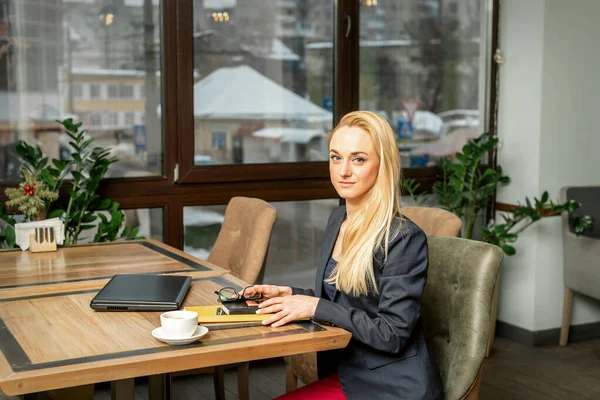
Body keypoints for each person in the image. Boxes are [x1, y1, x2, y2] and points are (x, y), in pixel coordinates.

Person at [248, 111, 443, 399]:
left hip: (392, 386)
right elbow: (345, 298)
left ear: (382, 165)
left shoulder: (403, 238)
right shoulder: (338, 218)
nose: (343, 171)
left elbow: (393, 334)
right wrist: (289, 294)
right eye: (336, 157)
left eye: (358, 159)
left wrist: (314, 306)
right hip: (348, 373)